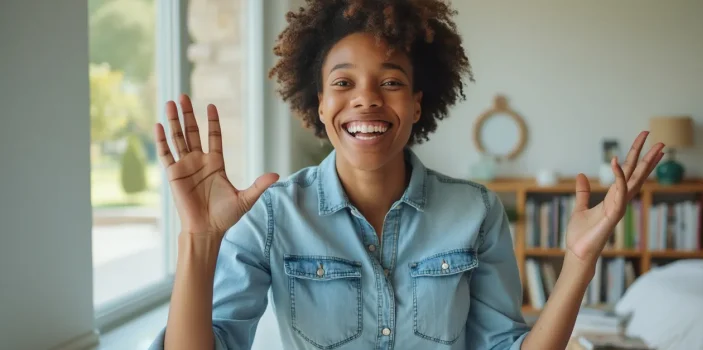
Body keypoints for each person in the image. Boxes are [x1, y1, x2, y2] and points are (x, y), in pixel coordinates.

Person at [149, 1, 665, 349]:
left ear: (418, 105)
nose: (367, 97)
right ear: (319, 104)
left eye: (391, 81)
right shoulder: (271, 216)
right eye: (343, 82)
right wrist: (199, 239)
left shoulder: (476, 212)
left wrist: (578, 260)